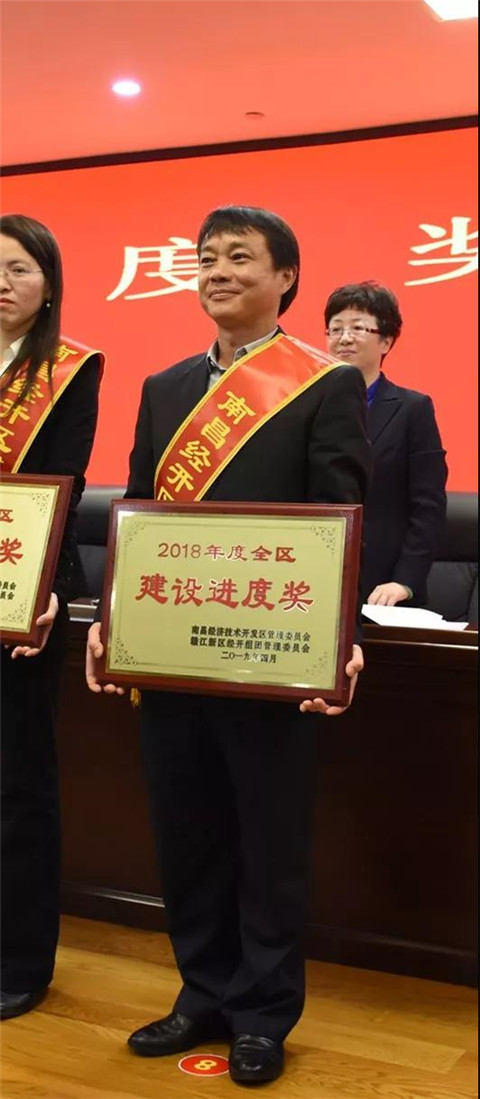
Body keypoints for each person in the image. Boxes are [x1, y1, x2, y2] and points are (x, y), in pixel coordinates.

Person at [86, 206, 371, 1086]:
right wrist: (110, 618)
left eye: (239, 257)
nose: (216, 271)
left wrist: (341, 637)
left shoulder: (323, 384)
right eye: (206, 257)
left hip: (269, 653)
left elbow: (341, 515)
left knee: (269, 839)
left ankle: (263, 1012)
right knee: (187, 831)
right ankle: (202, 992)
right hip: (171, 650)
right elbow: (139, 508)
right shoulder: (164, 386)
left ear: (286, 277)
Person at [0, 214, 103, 1020]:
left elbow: (63, 489)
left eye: (18, 268)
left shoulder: (68, 371)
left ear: (49, 285)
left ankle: (19, 959)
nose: (2, 283)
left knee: (16, 783)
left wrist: (44, 589)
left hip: (23, 599)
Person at [325, 281, 447, 607]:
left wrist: (405, 581)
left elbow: (428, 506)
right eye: (335, 329)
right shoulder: (304, 406)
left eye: (358, 328)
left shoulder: (413, 409)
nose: (344, 338)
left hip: (384, 588)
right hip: (316, 579)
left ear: (386, 341)